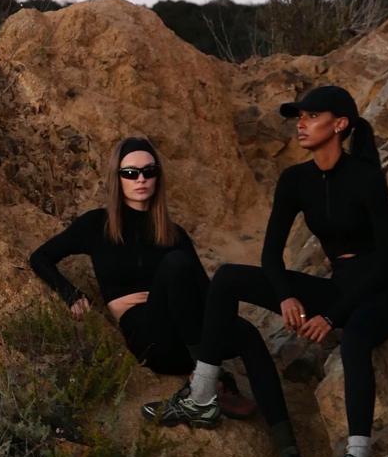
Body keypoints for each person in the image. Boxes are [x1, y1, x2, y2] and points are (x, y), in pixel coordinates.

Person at [146, 86, 388, 457]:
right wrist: (286, 296)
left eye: (311, 116)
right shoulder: (295, 181)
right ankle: (202, 395)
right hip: (342, 284)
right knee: (229, 277)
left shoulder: (365, 177)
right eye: (299, 117)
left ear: (340, 124)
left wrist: (332, 316)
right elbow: (271, 255)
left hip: (387, 287)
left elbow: (386, 257)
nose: (301, 124)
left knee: (357, 336)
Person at [29, 136, 256, 418]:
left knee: (247, 332)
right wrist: (72, 295)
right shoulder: (95, 225)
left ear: (158, 177)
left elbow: (205, 294)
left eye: (149, 171)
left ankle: (289, 452)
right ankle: (206, 380)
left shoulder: (174, 234)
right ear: (117, 178)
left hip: (181, 333)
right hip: (150, 340)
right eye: (130, 173)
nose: (141, 179)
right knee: (175, 266)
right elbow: (40, 258)